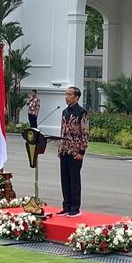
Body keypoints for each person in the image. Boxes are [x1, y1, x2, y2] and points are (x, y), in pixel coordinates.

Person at [57, 86, 89, 218]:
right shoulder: (64, 111)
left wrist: (81, 151)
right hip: (64, 150)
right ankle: (66, 206)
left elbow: (85, 133)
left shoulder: (81, 112)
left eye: (69, 94)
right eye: (65, 94)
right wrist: (60, 148)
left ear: (76, 97)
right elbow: (62, 130)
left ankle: (75, 208)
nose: (66, 96)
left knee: (74, 180)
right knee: (65, 180)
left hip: (75, 151)